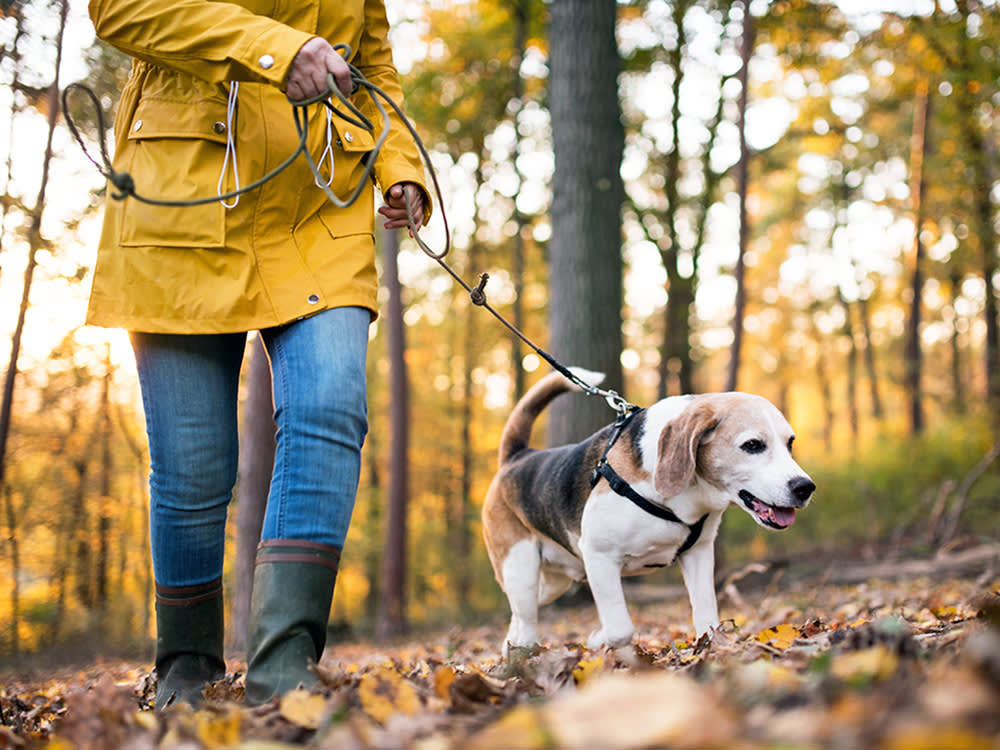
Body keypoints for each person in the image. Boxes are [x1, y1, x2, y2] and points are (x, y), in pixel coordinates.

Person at [86, 0, 429, 708]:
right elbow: (120, 10)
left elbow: (374, 65)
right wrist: (277, 49)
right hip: (181, 194)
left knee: (330, 406)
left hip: (319, 199)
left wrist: (401, 166)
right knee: (192, 465)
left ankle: (285, 666)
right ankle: (186, 666)